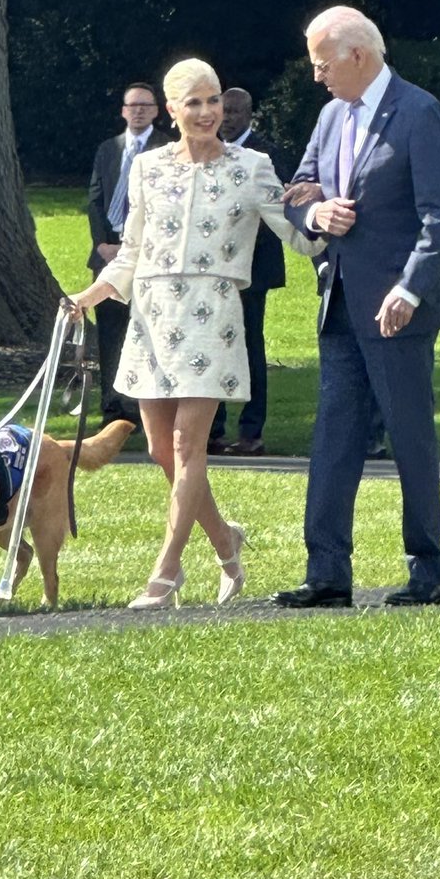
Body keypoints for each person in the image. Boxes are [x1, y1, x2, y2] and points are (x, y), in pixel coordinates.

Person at [66, 59, 322, 609]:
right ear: (172, 109)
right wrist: (89, 295)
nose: (208, 113)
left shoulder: (250, 166)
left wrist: (326, 214)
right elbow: (131, 251)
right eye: (195, 103)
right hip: (153, 316)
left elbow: (299, 235)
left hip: (213, 313)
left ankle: (166, 572)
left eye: (214, 102)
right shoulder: (148, 167)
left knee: (188, 444)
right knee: (161, 449)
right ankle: (225, 540)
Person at [272, 6, 440, 609]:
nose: (317, 76)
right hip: (340, 305)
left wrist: (410, 288)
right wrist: (314, 213)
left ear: (358, 55)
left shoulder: (419, 112)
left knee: (410, 439)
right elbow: (299, 185)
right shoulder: (330, 117)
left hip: (397, 309)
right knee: (333, 439)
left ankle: (427, 571)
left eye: (322, 63)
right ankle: (327, 574)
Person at [207, 87, 290, 457]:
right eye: (223, 112)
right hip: (214, 271)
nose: (228, 120)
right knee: (214, 346)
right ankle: (212, 429)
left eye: (235, 113)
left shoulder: (265, 154)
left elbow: (274, 215)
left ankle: (251, 432)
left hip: (253, 269)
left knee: (249, 346)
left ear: (249, 113)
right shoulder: (208, 151)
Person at [86, 82, 171, 427]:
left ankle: (142, 407)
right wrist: (103, 245)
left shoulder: (167, 149)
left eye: (144, 106)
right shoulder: (109, 149)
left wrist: (134, 245)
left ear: (156, 111)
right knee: (109, 331)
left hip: (148, 256)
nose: (137, 111)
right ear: (123, 111)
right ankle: (112, 405)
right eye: (131, 105)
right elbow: (95, 199)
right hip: (107, 256)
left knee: (148, 331)